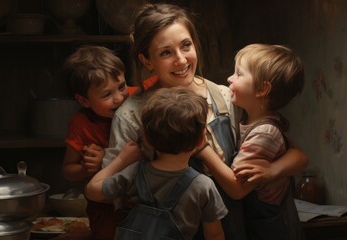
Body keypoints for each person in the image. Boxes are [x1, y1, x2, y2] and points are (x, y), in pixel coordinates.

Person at [103, 3, 308, 239]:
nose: (181, 60)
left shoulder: (224, 97)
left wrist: (273, 171)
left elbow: (293, 152)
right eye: (166, 52)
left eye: (186, 45)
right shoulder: (131, 115)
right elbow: (114, 194)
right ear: (147, 60)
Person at [86, 87, 227, 240]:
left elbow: (92, 191)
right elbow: (214, 234)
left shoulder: (134, 173)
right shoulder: (204, 186)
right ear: (201, 140)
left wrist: (121, 159)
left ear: (146, 138)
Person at [199, 43, 305, 239]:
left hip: (272, 229)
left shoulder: (265, 132)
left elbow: (237, 189)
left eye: (239, 74)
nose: (230, 78)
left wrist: (202, 148)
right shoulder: (247, 118)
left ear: (262, 89)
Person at [61, 44, 139, 240]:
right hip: (104, 205)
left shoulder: (137, 97)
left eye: (121, 86)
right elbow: (68, 170)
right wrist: (88, 167)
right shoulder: (81, 124)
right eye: (107, 94)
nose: (119, 98)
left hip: (138, 199)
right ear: (84, 100)